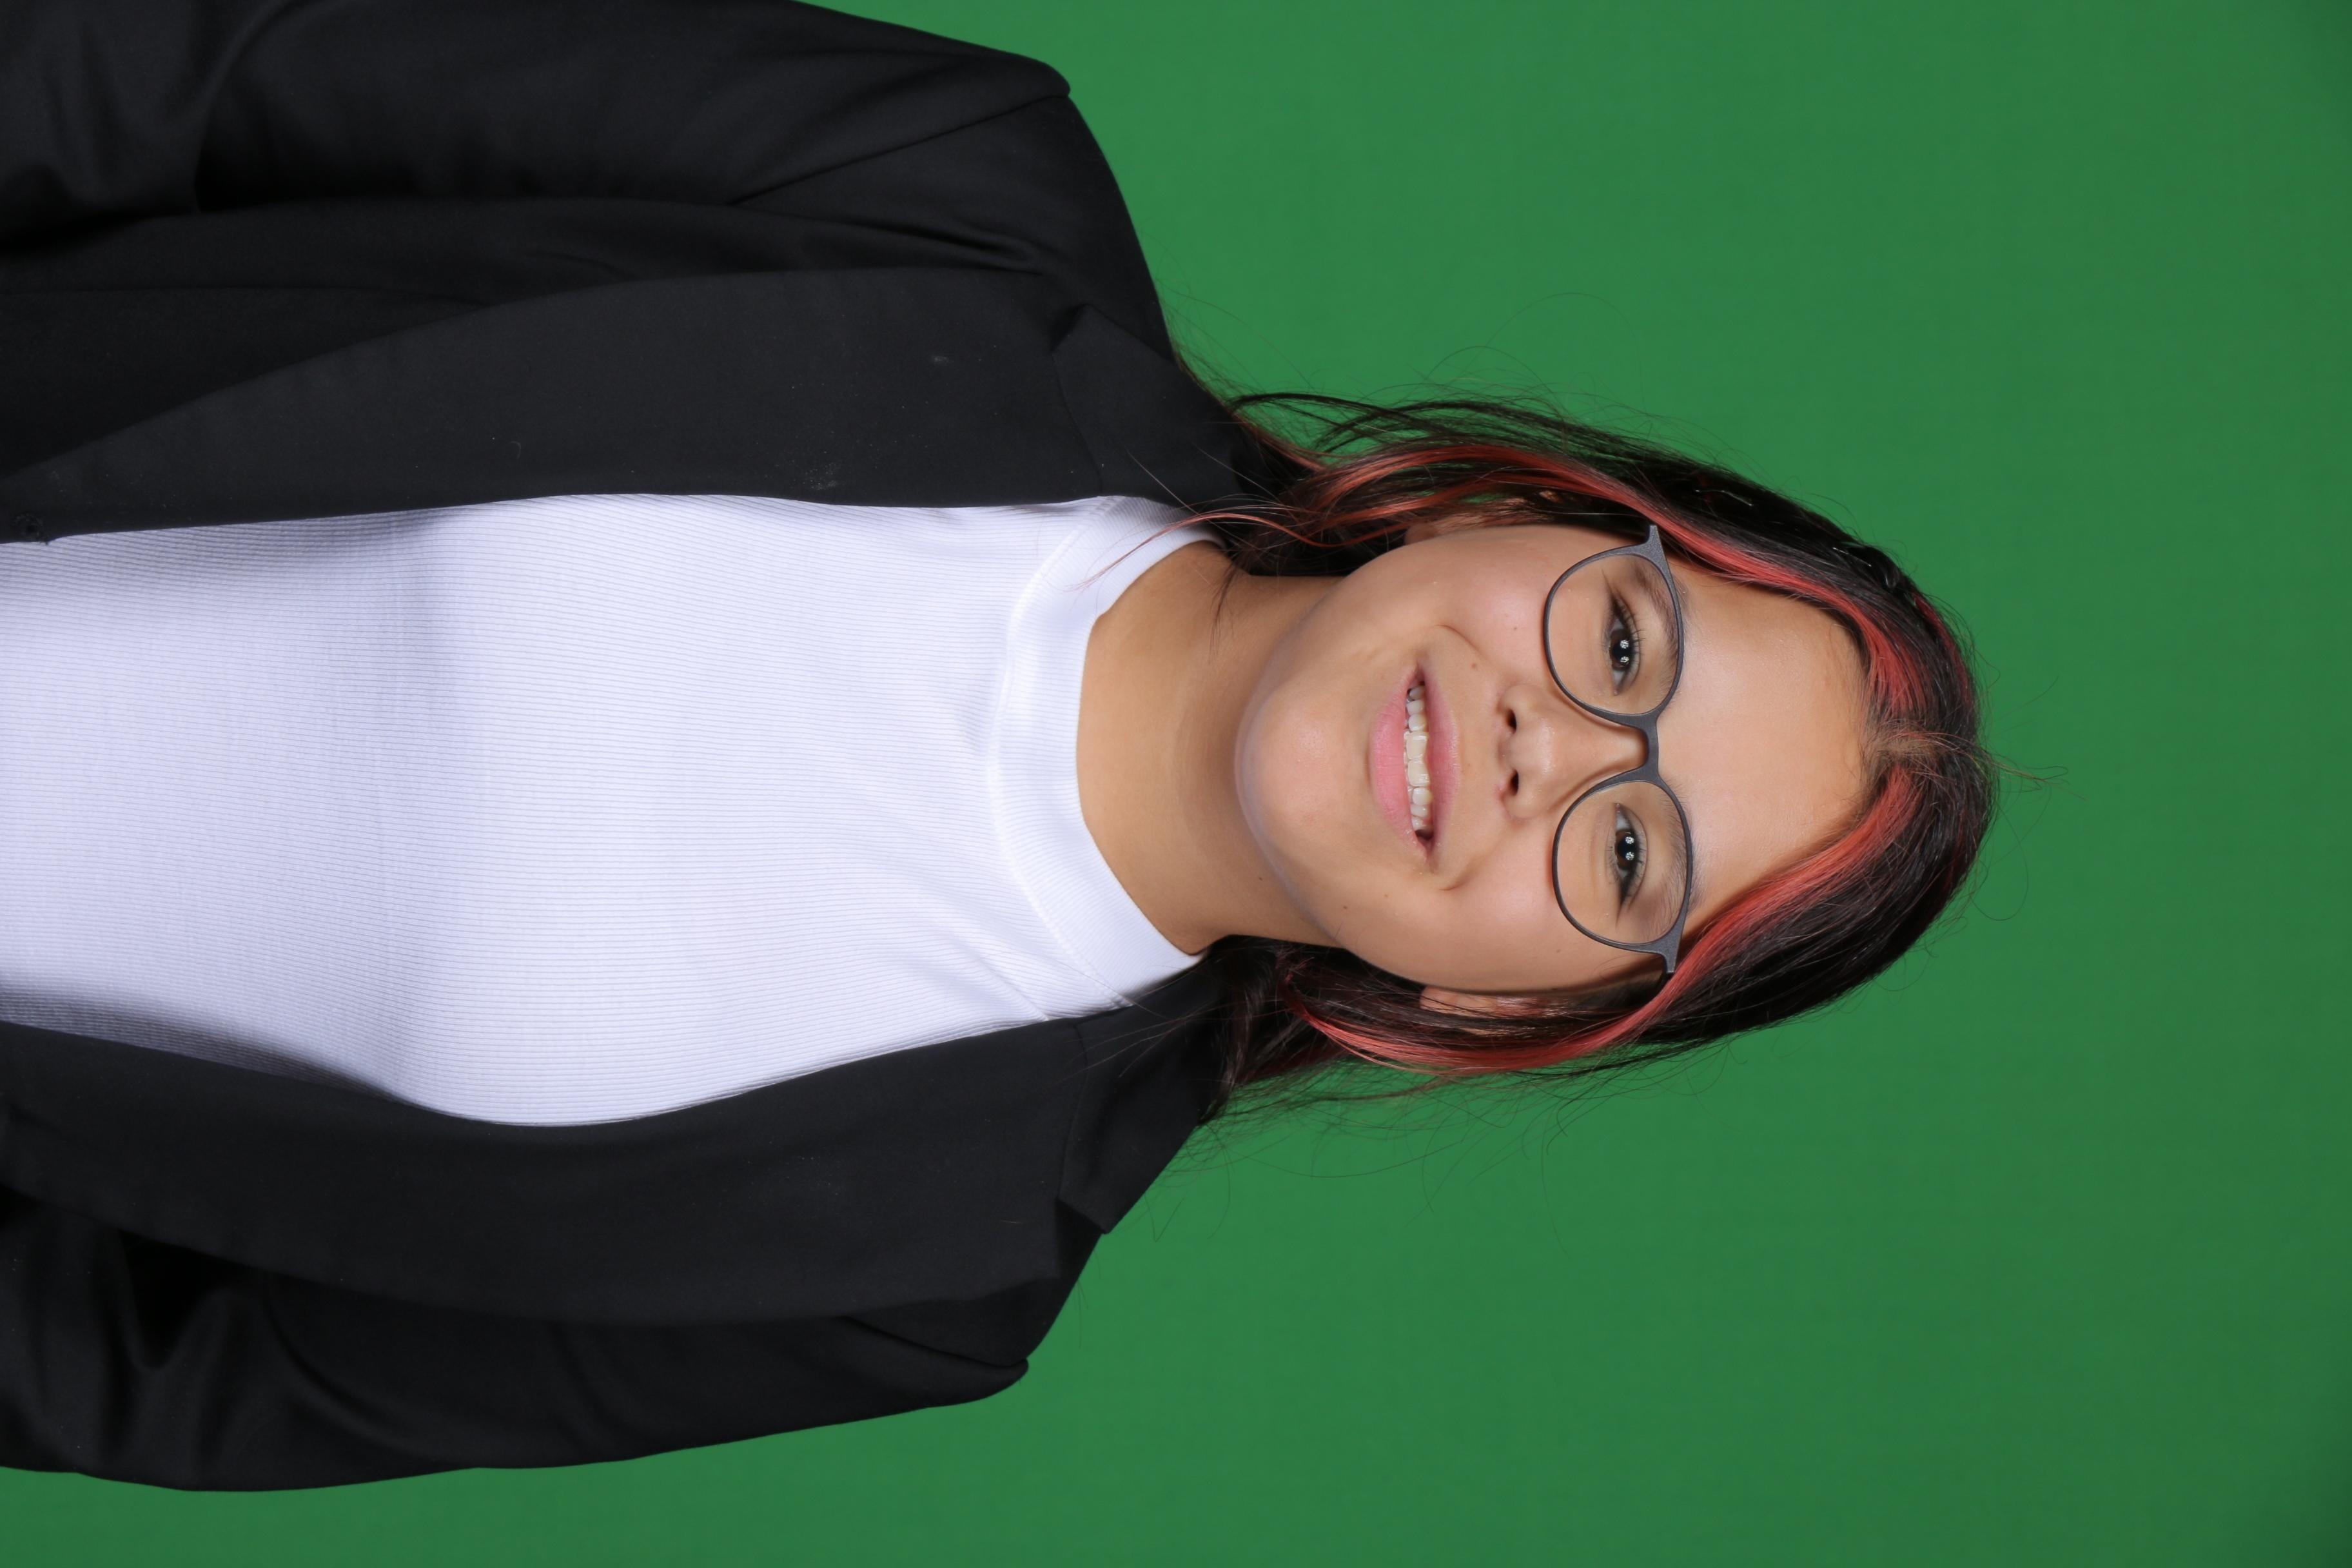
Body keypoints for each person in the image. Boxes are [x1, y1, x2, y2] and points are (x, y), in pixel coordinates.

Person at [0, 0, 1994, 1489]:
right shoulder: (948, 183)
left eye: (1633, 853)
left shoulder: (919, 1284)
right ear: (1524, 507)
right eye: (1626, 642)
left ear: (1526, 1010)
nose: (1550, 746)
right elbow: (187, 74)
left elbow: (157, 1379)